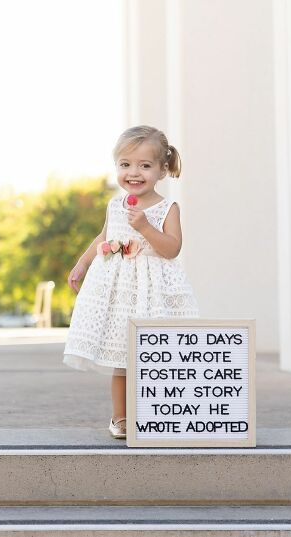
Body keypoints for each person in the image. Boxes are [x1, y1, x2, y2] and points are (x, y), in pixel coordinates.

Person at [63, 125, 199, 439]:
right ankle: (121, 418)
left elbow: (171, 248)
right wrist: (82, 264)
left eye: (144, 165)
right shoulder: (115, 205)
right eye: (125, 165)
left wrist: (146, 228)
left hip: (154, 292)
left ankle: (156, 414)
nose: (133, 173)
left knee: (154, 357)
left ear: (163, 169)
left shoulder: (167, 208)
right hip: (120, 291)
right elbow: (105, 237)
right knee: (122, 360)